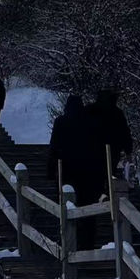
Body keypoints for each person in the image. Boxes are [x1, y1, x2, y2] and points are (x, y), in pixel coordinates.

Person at [48, 95, 104, 250]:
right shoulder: (92, 123)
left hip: (67, 171)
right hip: (88, 172)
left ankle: (69, 242)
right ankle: (88, 243)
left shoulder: (61, 121)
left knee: (67, 205)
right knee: (87, 207)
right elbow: (97, 148)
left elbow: (53, 146)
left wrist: (50, 170)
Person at [86, 89, 133, 175]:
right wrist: (128, 151)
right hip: (113, 151)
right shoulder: (117, 113)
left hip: (91, 151)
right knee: (109, 173)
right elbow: (125, 133)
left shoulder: (89, 110)